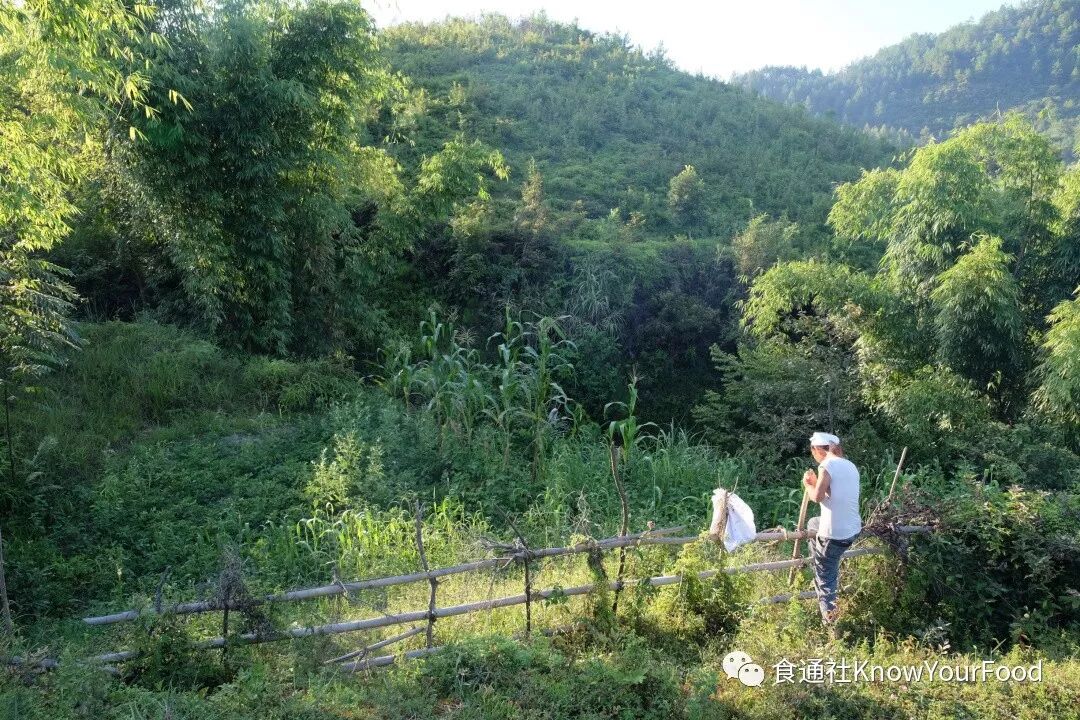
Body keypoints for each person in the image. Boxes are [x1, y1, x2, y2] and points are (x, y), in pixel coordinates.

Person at [801, 431, 861, 625]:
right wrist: (816, 483)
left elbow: (817, 497)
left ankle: (832, 625)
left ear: (817, 450)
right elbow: (834, 494)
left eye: (813, 451)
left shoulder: (826, 465)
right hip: (852, 529)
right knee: (813, 523)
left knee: (826, 579)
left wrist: (808, 485)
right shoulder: (850, 465)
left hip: (835, 535)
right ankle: (819, 561)